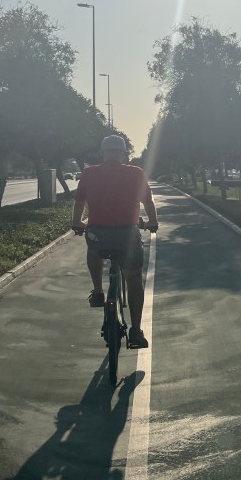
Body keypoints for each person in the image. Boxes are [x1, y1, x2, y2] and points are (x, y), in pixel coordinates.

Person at [72, 134, 158, 349]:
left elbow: (80, 200)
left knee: (93, 247)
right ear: (123, 154)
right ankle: (136, 331)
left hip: (98, 234)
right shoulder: (136, 173)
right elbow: (147, 201)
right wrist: (152, 222)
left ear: (103, 153)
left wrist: (77, 222)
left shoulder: (89, 173)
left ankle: (98, 291)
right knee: (134, 280)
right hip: (127, 235)